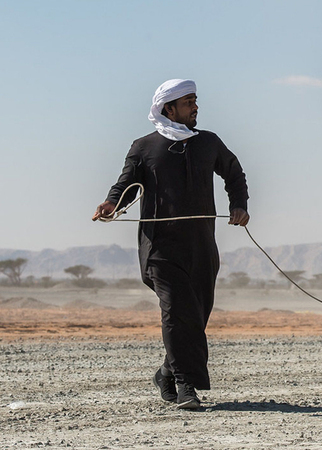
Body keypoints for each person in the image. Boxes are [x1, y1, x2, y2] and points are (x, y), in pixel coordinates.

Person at [93, 79, 249, 408]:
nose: (195, 107)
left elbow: (234, 172)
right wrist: (111, 205)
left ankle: (166, 370)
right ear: (169, 108)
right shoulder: (144, 147)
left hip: (201, 245)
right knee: (178, 312)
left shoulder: (208, 142)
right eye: (189, 101)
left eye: (195, 100)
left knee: (197, 314)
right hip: (160, 249)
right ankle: (185, 385)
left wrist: (239, 205)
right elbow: (127, 185)